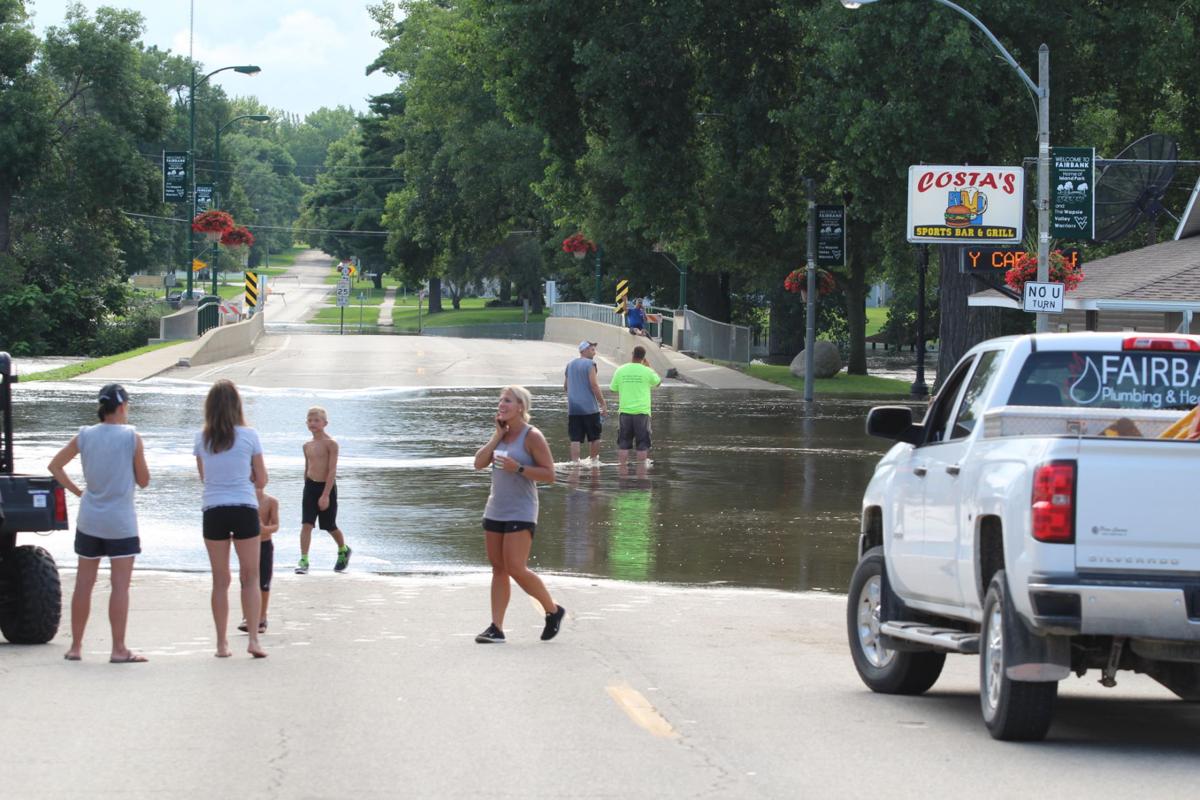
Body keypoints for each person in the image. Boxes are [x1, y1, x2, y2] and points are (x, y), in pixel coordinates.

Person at [49, 384, 150, 663]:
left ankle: (76, 646)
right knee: (119, 586)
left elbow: (55, 466)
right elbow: (143, 481)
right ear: (121, 407)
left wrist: (79, 491)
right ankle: (118, 648)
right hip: (120, 521)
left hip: (90, 518)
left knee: (84, 583)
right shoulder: (131, 437)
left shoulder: (85, 435)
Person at [472, 386, 566, 644]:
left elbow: (550, 474)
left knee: (515, 567)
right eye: (501, 400)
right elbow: (478, 463)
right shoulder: (501, 435)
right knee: (498, 568)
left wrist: (520, 467)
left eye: (508, 401)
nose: (501, 404)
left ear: (521, 407)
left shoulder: (532, 436)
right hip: (495, 508)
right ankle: (496, 628)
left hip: (521, 510)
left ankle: (553, 610)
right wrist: (496, 436)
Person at [194, 379, 267, 659]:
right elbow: (262, 479)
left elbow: (204, 477)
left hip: (213, 509)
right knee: (250, 577)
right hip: (244, 507)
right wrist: (247, 474)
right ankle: (253, 641)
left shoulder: (202, 439)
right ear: (237, 405)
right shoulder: (249, 435)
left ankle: (221, 643)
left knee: (220, 579)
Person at [295, 406, 351, 574]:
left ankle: (343, 550)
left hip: (327, 487)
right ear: (306, 423)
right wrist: (306, 489)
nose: (313, 423)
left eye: (317, 420)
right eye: (310, 420)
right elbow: (307, 468)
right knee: (306, 524)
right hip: (310, 487)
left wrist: (326, 495)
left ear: (325, 423)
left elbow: (332, 470)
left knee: (329, 525)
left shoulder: (331, 444)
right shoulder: (306, 445)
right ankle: (304, 560)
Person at [609, 346, 662, 476]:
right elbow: (658, 383)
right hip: (642, 413)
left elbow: (613, 388)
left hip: (625, 412)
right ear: (644, 357)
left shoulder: (620, 370)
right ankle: (641, 474)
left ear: (632, 354)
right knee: (642, 443)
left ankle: (622, 471)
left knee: (623, 443)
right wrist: (649, 367)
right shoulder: (647, 371)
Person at [239, 485, 278, 634]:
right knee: (245, 580)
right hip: (247, 544)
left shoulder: (271, 501)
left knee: (264, 582)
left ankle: (262, 617)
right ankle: (247, 617)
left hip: (265, 544)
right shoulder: (243, 502)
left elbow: (276, 525)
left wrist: (264, 529)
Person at [564, 340, 608, 464]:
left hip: (573, 409)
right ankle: (594, 462)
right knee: (594, 437)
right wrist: (603, 404)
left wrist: (574, 396)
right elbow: (594, 385)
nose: (594, 352)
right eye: (592, 349)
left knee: (575, 439)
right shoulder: (590, 364)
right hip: (589, 408)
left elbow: (566, 386)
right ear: (583, 350)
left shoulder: (570, 364)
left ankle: (575, 463)